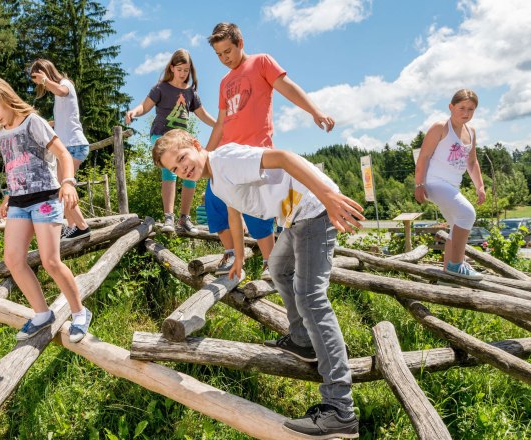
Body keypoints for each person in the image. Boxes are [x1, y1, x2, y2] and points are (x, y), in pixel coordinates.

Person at [153, 129, 363, 439]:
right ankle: (303, 340)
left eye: (182, 158)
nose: (182, 169)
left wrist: (328, 196)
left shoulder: (225, 160)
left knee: (310, 298)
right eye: (174, 168)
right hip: (296, 217)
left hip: (314, 210)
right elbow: (234, 212)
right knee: (278, 268)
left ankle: (340, 410)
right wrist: (238, 255)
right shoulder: (215, 180)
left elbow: (283, 157)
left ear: (197, 146)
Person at [204, 22, 336, 279]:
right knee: (215, 202)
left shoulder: (261, 62)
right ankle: (231, 254)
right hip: (227, 155)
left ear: (240, 43)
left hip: (256, 153)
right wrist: (205, 155)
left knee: (256, 212)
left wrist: (315, 111)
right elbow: (221, 123)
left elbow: (287, 87)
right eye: (218, 55)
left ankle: (271, 262)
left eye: (227, 51)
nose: (224, 59)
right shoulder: (224, 82)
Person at [0, 74, 92, 343]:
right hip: (19, 202)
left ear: (5, 97)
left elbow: (62, 154)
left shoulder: (33, 123)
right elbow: (14, 167)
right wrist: (7, 196)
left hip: (46, 199)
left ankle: (80, 312)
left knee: (50, 261)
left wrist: (69, 182)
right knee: (13, 259)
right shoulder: (2, 132)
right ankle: (41, 313)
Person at [124, 49, 216, 234]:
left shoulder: (191, 92)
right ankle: (169, 217)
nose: (183, 74)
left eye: (186, 70)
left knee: (192, 173)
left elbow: (202, 115)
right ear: (172, 68)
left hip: (181, 140)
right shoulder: (161, 88)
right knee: (170, 172)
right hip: (162, 136)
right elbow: (146, 106)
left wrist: (220, 124)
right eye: (180, 69)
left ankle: (184, 218)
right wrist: (134, 111)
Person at [415, 89, 486, 280]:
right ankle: (456, 264)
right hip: (434, 183)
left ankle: (449, 273)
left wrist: (480, 186)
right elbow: (424, 156)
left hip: (452, 186)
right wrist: (418, 184)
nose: (466, 113)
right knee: (467, 213)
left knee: (457, 223)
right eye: (461, 108)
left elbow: (472, 162)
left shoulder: (471, 132)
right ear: (451, 107)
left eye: (471, 109)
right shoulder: (441, 127)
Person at [30, 59, 91, 241]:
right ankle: (73, 226)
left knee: (61, 188)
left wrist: (44, 81)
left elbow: (61, 90)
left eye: (39, 80)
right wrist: (49, 125)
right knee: (57, 188)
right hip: (70, 146)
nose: (42, 86)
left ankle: (82, 226)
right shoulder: (58, 96)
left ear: (46, 73)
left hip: (74, 146)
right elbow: (67, 119)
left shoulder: (65, 84)